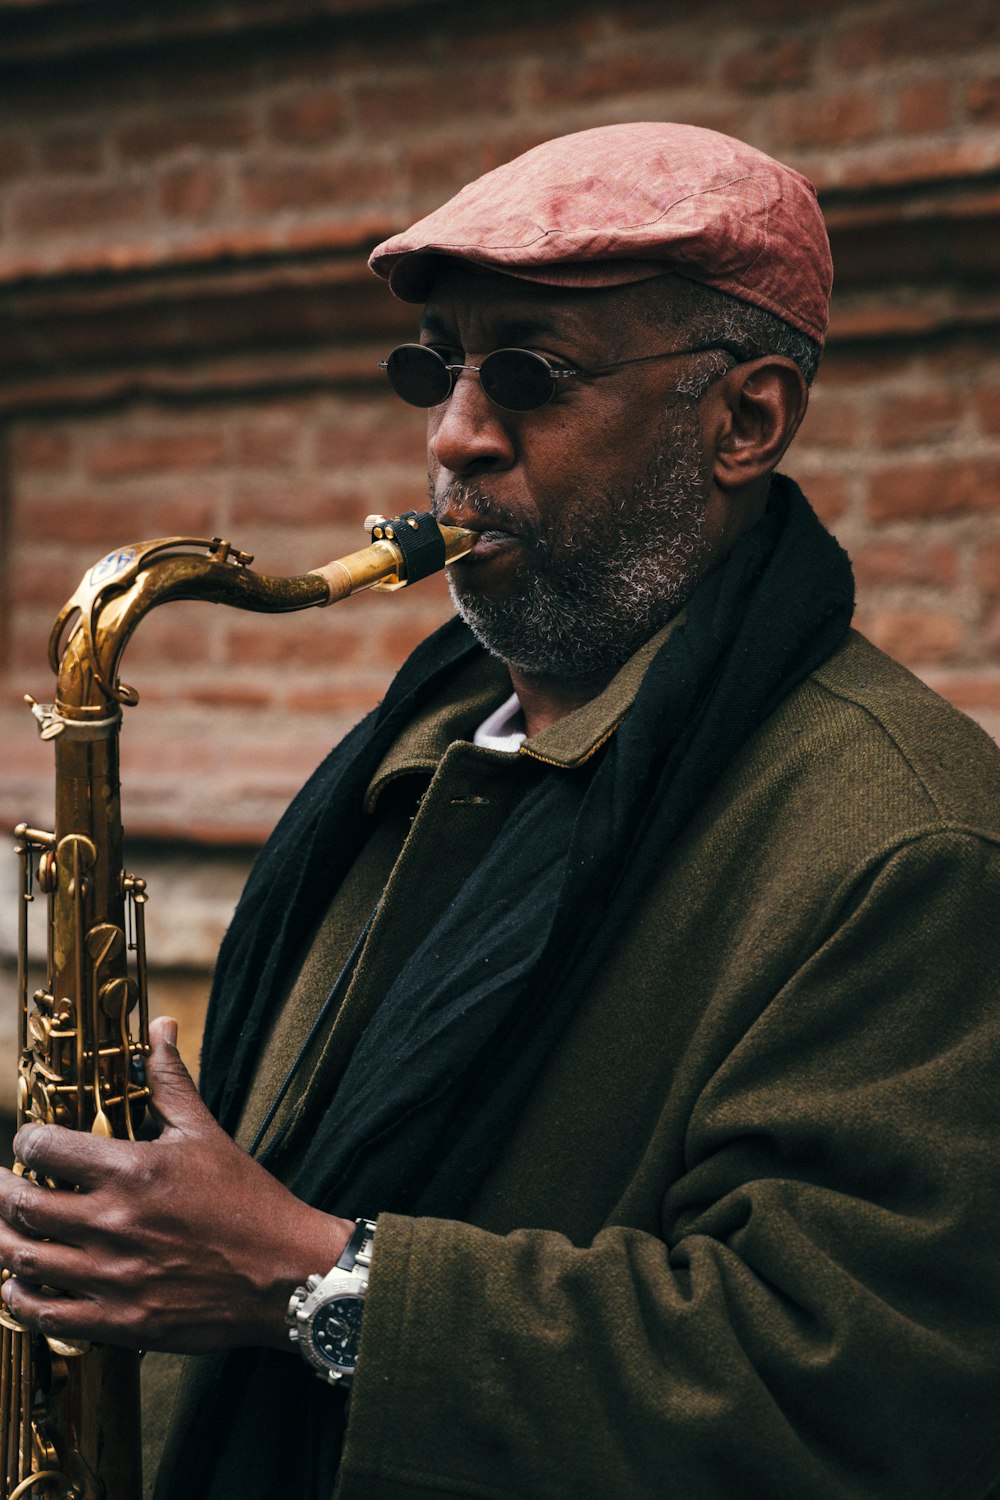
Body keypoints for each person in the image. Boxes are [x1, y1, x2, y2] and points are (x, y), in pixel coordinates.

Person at [1, 121, 999, 1500]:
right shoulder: (413, 746)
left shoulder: (915, 841)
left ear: (745, 420)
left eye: (531, 373)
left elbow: (861, 1391)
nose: (457, 435)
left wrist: (309, 1277)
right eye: (437, 368)